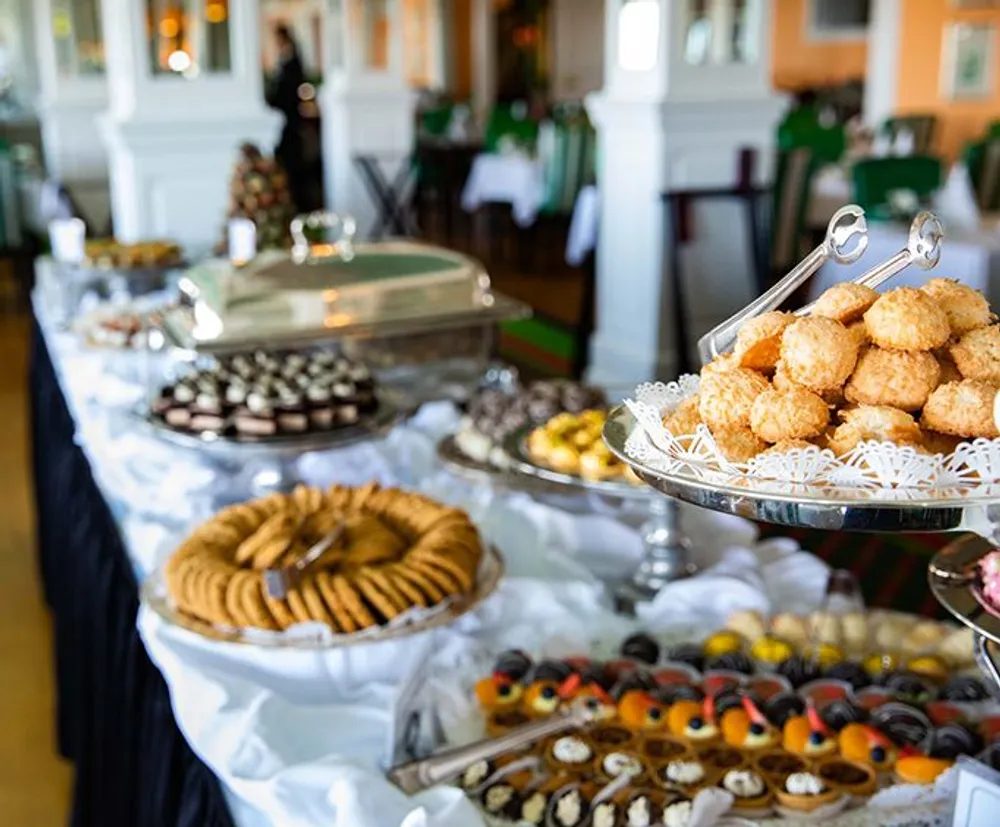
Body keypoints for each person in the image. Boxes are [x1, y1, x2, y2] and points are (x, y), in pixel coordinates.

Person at [266, 25, 309, 211]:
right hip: (285, 120)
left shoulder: (292, 63)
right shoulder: (284, 61)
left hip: (290, 122)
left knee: (292, 164)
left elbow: (287, 93)